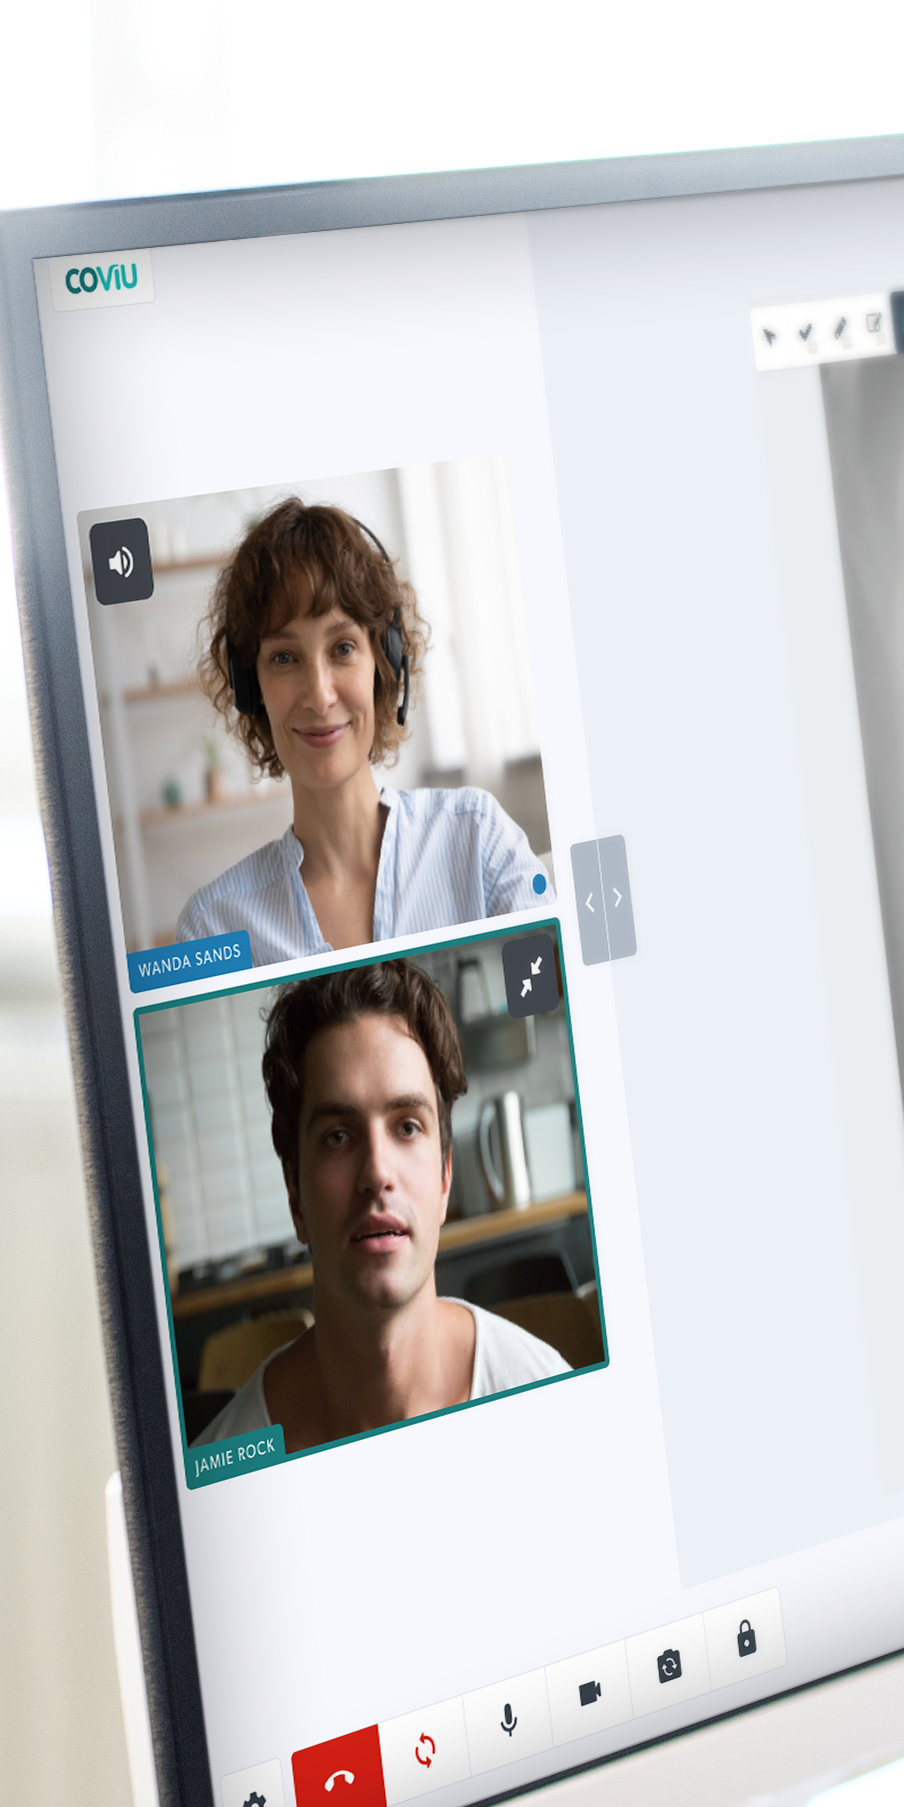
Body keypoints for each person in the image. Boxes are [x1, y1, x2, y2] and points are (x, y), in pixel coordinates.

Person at [195, 961, 567, 1462]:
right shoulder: (226, 1471)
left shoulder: (548, 1400)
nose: (376, 1172)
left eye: (408, 1126)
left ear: (444, 1178)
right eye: (338, 1137)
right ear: (295, 1194)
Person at [168, 494, 541, 959]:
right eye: (284, 658)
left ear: (384, 660)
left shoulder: (476, 840)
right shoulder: (212, 929)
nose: (320, 695)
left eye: (342, 648)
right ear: (251, 688)